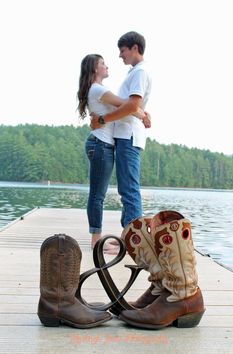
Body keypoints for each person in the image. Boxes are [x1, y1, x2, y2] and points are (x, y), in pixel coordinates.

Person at [77, 54, 148, 251]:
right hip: (100, 145)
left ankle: (98, 238)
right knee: (97, 195)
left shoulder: (96, 89)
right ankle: (95, 240)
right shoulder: (99, 89)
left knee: (98, 194)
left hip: (103, 145)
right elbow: (126, 106)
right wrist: (144, 115)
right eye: (102, 64)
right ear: (94, 69)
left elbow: (126, 106)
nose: (106, 66)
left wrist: (140, 112)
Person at [90, 31, 152, 231]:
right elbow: (135, 106)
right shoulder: (134, 72)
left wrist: (103, 119)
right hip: (125, 135)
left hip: (128, 136)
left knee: (129, 190)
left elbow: (132, 105)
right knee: (126, 190)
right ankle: (129, 236)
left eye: (122, 50)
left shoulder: (140, 72)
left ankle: (133, 239)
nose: (120, 55)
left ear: (135, 48)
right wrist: (144, 114)